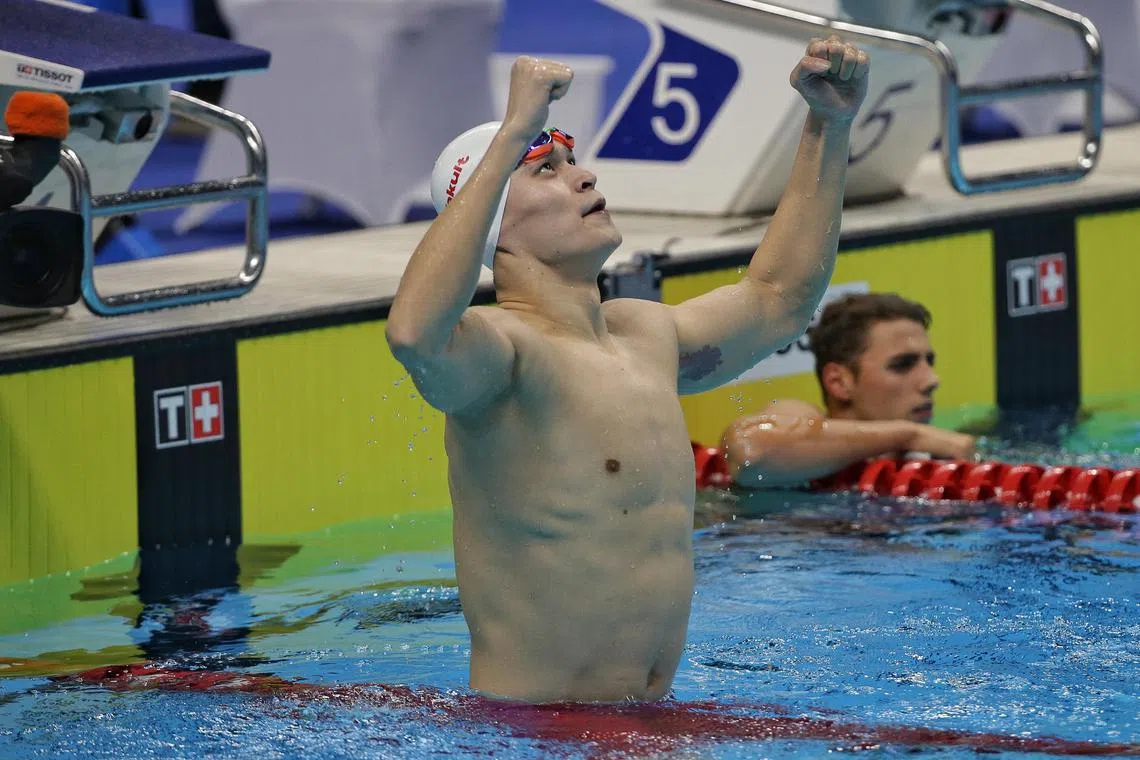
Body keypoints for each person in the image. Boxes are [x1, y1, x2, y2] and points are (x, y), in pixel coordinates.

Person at [386, 38, 871, 704]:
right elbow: (414, 333)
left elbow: (780, 299)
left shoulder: (645, 335)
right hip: (536, 736)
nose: (584, 177)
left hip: (647, 722)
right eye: (546, 170)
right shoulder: (503, 357)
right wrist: (508, 140)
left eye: (574, 162)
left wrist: (828, 124)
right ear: (496, 226)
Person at [720, 292, 977, 490]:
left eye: (928, 362)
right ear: (839, 382)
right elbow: (752, 452)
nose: (932, 380)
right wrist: (908, 435)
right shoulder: (801, 417)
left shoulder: (937, 455)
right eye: (903, 365)